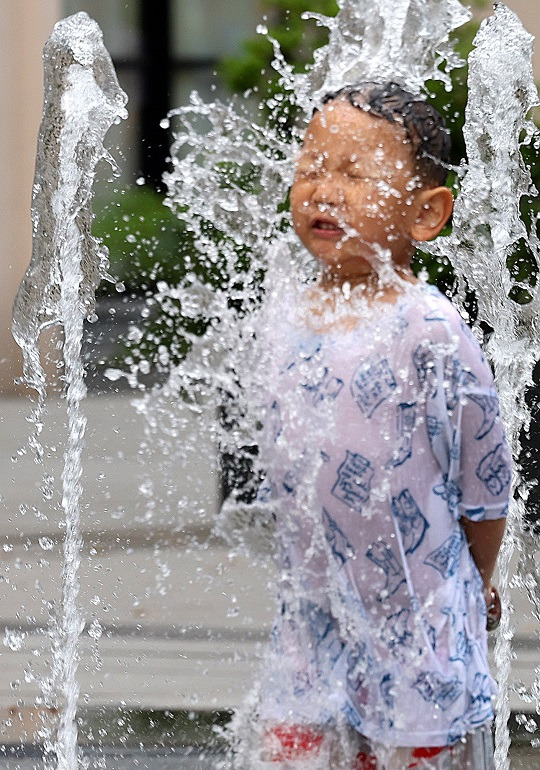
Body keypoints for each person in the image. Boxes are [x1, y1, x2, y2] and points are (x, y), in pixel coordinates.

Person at [226, 82, 510, 770]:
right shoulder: (282, 316)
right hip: (309, 627)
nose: (323, 190)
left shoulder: (430, 329)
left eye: (353, 174)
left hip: (418, 628)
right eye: (310, 169)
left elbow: (487, 479)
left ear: (426, 214)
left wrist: (477, 579)